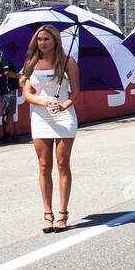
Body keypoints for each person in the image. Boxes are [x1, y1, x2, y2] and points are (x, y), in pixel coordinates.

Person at [21, 25, 80, 233]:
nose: (42, 43)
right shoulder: (30, 63)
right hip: (40, 117)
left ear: (55, 41)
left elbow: (75, 93)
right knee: (44, 166)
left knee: (63, 163)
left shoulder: (68, 62)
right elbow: (27, 93)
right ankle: (48, 213)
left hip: (64, 117)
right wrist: (44, 102)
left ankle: (63, 213)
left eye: (46, 39)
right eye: (39, 39)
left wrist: (63, 105)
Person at [0, 47, 23, 144]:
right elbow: (7, 72)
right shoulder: (6, 55)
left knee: (10, 112)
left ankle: (7, 133)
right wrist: (20, 76)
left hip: (11, 86)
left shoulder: (12, 56)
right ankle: (6, 134)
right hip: (7, 87)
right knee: (8, 111)